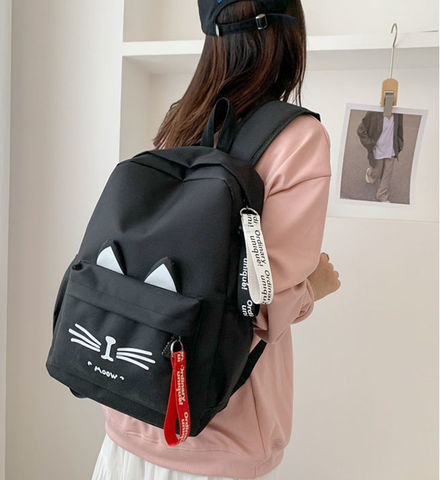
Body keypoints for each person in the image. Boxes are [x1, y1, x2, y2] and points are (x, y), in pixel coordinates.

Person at [91, 1, 341, 479]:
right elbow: (260, 307)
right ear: (289, 33)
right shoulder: (299, 138)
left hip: (131, 407)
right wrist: (314, 287)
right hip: (213, 435)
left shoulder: (182, 120)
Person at [356, 110, 404, 203]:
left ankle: (382, 195)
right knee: (377, 171)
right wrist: (369, 143)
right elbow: (361, 130)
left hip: (391, 148)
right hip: (377, 148)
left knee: (387, 173)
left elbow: (399, 129)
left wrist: (399, 144)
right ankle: (370, 173)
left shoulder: (398, 113)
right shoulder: (373, 112)